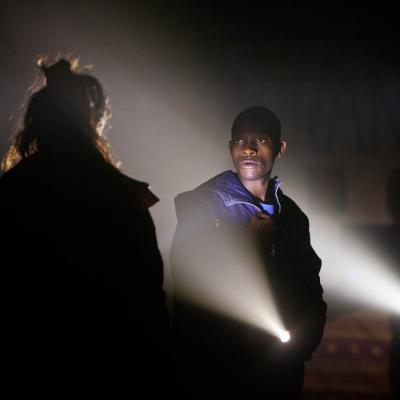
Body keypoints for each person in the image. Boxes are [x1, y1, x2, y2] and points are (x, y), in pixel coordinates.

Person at [0, 58, 170, 394]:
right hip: (105, 367)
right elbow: (146, 298)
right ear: (93, 121)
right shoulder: (119, 195)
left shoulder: (13, 189)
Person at [170, 106, 327, 398]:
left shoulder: (292, 216)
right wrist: (250, 246)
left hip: (280, 373)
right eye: (240, 140)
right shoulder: (204, 206)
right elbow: (190, 286)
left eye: (261, 139)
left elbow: (310, 288)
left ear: (280, 148)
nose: (249, 149)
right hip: (218, 372)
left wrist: (300, 346)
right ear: (230, 147)